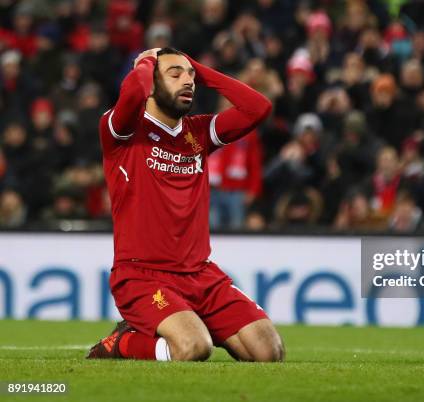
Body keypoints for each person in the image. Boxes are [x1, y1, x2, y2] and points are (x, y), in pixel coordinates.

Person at [86, 47, 284, 362]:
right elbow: (135, 88)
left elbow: (258, 107)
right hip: (142, 276)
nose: (187, 80)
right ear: (151, 83)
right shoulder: (123, 130)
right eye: (175, 74)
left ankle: (187, 319)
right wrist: (147, 61)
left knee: (269, 352)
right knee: (193, 348)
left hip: (202, 275)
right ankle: (121, 344)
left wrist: (199, 69)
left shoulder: (198, 133)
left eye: (190, 75)